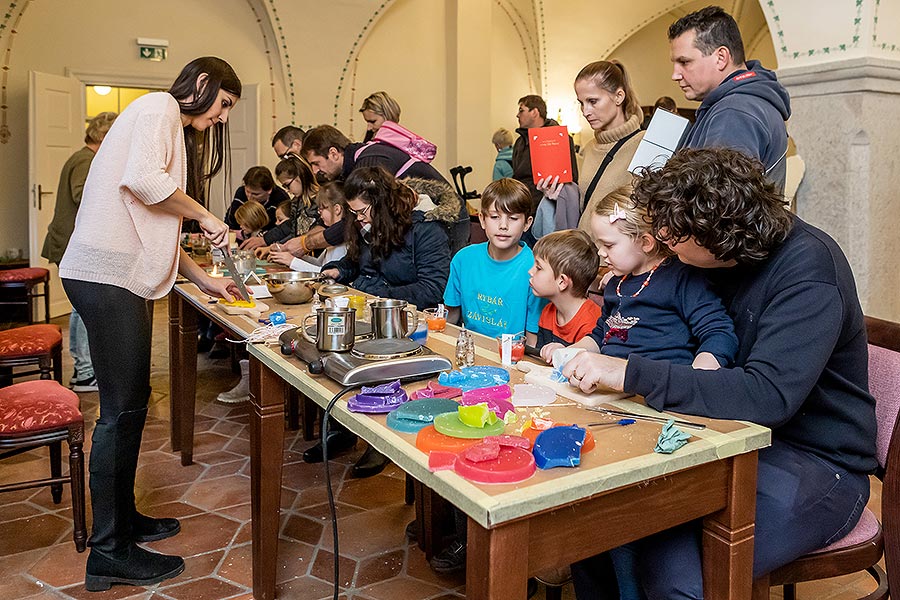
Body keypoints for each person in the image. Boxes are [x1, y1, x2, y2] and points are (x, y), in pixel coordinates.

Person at [563, 148, 876, 600]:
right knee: (596, 520)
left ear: (714, 236)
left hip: (817, 461)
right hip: (732, 436)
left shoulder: (809, 270)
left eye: (673, 235)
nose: (663, 241)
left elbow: (766, 396)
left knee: (676, 575)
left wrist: (631, 373)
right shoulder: (714, 261)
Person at [58, 57, 242, 591]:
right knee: (120, 410)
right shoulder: (159, 106)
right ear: (203, 85)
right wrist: (206, 216)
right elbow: (144, 183)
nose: (224, 117)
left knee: (130, 402)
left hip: (112, 276)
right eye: (224, 104)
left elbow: (153, 216)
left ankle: (124, 520)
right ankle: (108, 551)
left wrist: (204, 281)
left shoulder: (157, 118)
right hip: (105, 277)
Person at [317, 167, 452, 478]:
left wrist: (379, 294)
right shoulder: (371, 225)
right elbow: (358, 263)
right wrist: (339, 270)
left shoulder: (425, 229)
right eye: (354, 213)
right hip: (375, 315)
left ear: (382, 203)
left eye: (362, 211)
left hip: (409, 326)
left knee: (366, 358)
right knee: (333, 350)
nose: (359, 219)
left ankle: (378, 440)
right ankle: (344, 427)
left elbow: (433, 289)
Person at [669, 5, 791, 191]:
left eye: (684, 62)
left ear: (721, 57)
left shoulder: (734, 112)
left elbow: (717, 205)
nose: (675, 75)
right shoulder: (746, 101)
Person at [300, 124, 469, 255]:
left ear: (334, 153)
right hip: (428, 221)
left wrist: (306, 244)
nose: (315, 171)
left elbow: (353, 221)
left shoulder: (369, 162)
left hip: (448, 218)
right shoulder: (361, 160)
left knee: (446, 281)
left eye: (316, 163)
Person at [41, 111, 117, 393]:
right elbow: (83, 195)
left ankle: (87, 369)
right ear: (104, 135)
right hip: (72, 243)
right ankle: (84, 373)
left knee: (82, 308)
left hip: (71, 242)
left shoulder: (81, 157)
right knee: (82, 308)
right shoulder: (87, 161)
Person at [444, 178, 543, 348]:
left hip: (510, 357)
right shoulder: (463, 259)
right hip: (470, 350)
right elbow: (450, 317)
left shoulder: (535, 269)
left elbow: (532, 336)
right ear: (482, 220)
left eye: (513, 218)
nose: (503, 225)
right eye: (495, 217)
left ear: (527, 224)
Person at [528, 229, 602, 354]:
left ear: (562, 282)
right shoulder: (547, 312)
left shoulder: (592, 322)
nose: (530, 271)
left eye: (539, 268)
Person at [511, 94, 578, 215]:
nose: (517, 115)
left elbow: (571, 179)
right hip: (521, 208)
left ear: (535, 112)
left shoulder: (559, 139)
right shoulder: (520, 142)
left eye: (521, 110)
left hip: (547, 208)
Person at [243, 154, 319, 252]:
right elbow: (292, 233)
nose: (288, 191)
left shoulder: (321, 200)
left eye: (287, 185)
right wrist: (275, 248)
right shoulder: (296, 202)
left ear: (300, 176)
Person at [269, 181, 349, 271]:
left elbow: (325, 272)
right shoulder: (332, 235)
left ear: (337, 209)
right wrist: (292, 257)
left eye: (322, 208)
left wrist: (292, 261)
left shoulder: (342, 242)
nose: (319, 212)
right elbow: (320, 263)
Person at [224, 166, 290, 234]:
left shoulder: (281, 199)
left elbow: (283, 229)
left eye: (255, 194)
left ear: (269, 190)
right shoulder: (241, 193)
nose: (249, 197)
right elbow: (231, 220)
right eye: (247, 191)